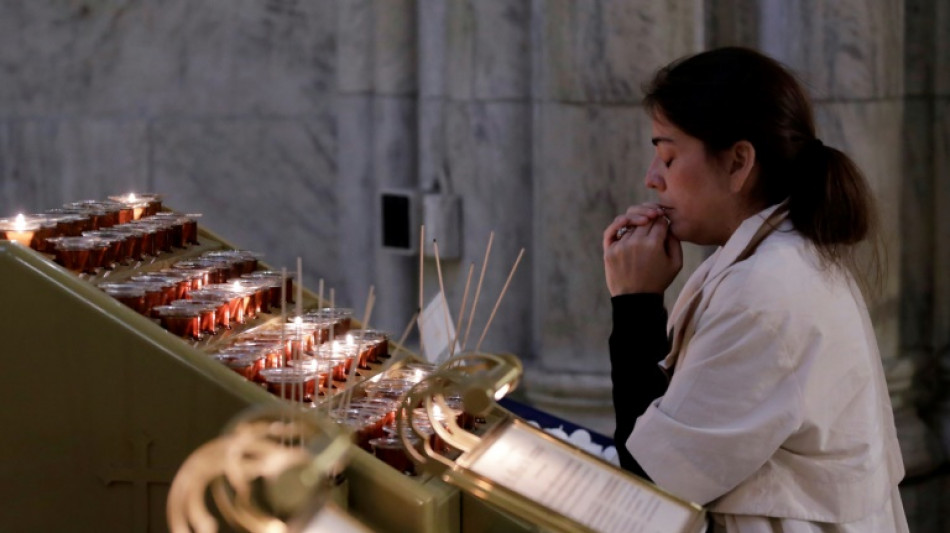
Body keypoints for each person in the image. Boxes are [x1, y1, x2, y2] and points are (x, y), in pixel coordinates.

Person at [602, 47, 908, 532]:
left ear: (738, 163)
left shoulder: (765, 290)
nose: (651, 178)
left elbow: (653, 483)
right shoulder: (767, 256)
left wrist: (635, 304)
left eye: (667, 155)